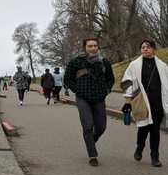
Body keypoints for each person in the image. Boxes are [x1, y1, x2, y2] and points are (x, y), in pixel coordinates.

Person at [64, 37, 115, 166]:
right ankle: (92, 155)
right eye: (89, 46)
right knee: (87, 125)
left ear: (98, 47)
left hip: (99, 98)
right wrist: (78, 90)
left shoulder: (104, 62)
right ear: (85, 48)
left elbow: (110, 79)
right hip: (83, 98)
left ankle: (92, 140)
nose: (92, 48)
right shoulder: (76, 62)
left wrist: (106, 90)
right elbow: (67, 79)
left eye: (95, 46)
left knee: (101, 127)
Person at [121, 39, 168, 167]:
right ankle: (139, 147)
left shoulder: (163, 66)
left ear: (154, 49)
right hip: (141, 102)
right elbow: (126, 82)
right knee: (143, 129)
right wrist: (128, 100)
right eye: (142, 47)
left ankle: (155, 157)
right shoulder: (134, 65)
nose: (145, 49)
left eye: (148, 47)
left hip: (157, 102)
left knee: (155, 131)